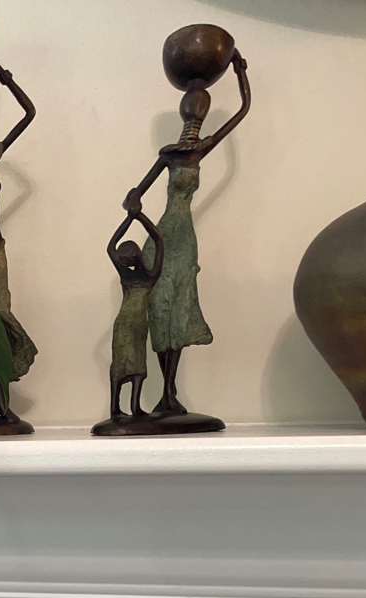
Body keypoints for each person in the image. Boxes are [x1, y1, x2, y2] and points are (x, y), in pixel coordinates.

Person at [123, 49, 249, 415]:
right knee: (160, 312)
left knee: (179, 313)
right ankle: (165, 394)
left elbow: (242, 111)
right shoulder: (170, 153)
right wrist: (134, 208)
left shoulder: (200, 149)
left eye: (199, 109)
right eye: (192, 108)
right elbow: (134, 195)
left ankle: (169, 393)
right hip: (162, 237)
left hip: (184, 242)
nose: (195, 114)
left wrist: (239, 69)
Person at [102, 210, 164, 423]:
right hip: (137, 323)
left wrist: (130, 217)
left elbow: (110, 247)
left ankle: (118, 407)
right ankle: (132, 407)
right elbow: (158, 241)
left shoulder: (126, 274)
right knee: (137, 365)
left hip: (124, 322)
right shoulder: (150, 275)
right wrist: (139, 216)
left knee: (121, 364)